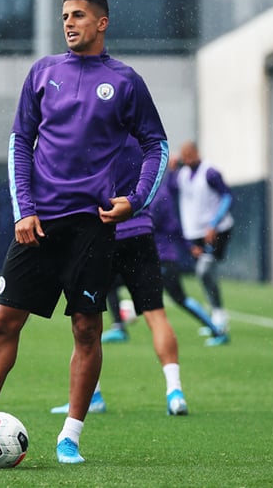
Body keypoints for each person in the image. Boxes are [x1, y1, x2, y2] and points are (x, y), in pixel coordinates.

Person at [0, 0, 168, 466]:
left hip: (92, 228)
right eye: (64, 16)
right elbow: (20, 142)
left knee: (85, 329)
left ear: (101, 23)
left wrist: (135, 201)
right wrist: (24, 210)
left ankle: (70, 436)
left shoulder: (125, 81)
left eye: (78, 15)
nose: (69, 23)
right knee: (2, 322)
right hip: (38, 224)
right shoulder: (43, 72)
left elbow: (156, 146)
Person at [52, 136, 188, 416]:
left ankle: (92, 396)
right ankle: (175, 392)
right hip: (140, 232)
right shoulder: (141, 137)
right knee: (156, 314)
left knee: (85, 319)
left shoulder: (92, 131)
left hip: (101, 233)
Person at [102, 155, 226, 345]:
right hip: (150, 255)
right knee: (110, 283)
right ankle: (119, 327)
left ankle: (217, 331)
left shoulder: (158, 195)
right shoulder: (157, 191)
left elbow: (152, 222)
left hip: (160, 257)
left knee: (179, 298)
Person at [175, 141, 234, 336]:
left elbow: (227, 196)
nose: (187, 157)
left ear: (197, 152)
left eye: (190, 153)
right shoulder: (182, 176)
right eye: (184, 154)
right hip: (196, 234)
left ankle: (218, 315)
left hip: (216, 230)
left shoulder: (210, 172)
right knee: (204, 274)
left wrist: (214, 224)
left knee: (204, 270)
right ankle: (213, 315)